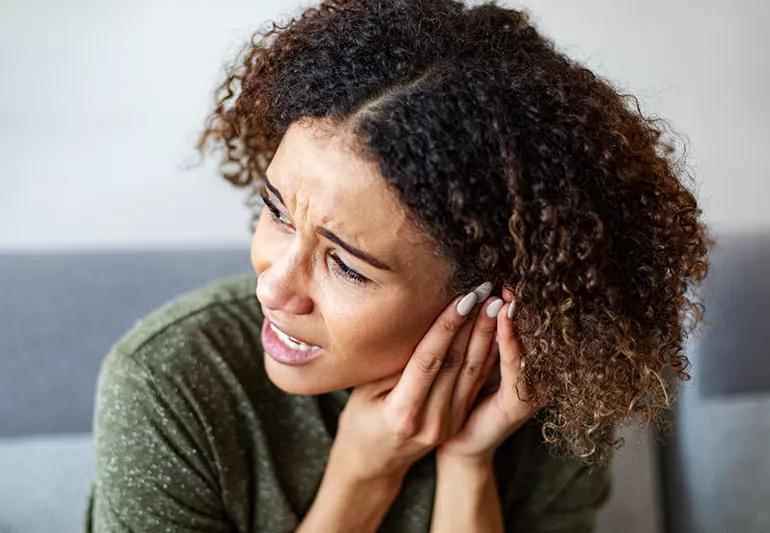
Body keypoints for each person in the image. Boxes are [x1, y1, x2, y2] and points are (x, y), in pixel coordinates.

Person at [84, 0, 714, 531]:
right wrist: (363, 474)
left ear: (490, 294)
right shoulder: (170, 383)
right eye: (277, 213)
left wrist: (469, 466)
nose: (273, 286)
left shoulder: (547, 396)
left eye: (347, 267)